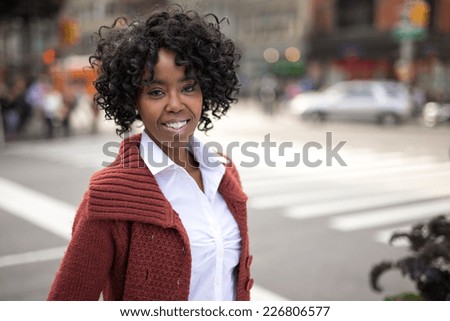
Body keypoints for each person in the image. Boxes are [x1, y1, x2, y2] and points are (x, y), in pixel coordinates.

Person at [48, 5, 253, 301]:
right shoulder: (109, 196)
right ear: (134, 100)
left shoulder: (224, 173)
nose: (174, 104)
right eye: (156, 91)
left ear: (206, 90)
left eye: (188, 87)